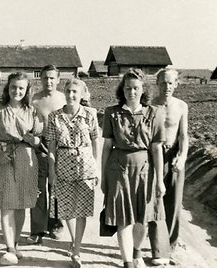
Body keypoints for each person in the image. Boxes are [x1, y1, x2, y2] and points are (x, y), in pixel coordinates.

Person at [101, 68, 166, 268]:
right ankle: (128, 262)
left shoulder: (154, 113)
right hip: (118, 168)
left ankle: (137, 253)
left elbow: (156, 148)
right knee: (123, 218)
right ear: (123, 90)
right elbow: (106, 147)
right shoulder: (112, 113)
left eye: (136, 88)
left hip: (145, 170)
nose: (132, 92)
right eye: (128, 88)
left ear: (143, 89)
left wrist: (160, 180)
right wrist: (103, 176)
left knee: (142, 219)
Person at [0, 72, 42, 265]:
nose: (17, 91)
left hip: (26, 158)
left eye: (21, 88)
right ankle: (9, 247)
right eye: (13, 87)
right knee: (6, 203)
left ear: (27, 90)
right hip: (3, 158)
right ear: (7, 88)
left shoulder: (32, 111)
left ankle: (16, 243)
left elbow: (39, 140)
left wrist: (32, 139)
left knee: (21, 204)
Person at [45, 78, 99, 268]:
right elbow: (51, 146)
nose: (71, 95)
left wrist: (96, 167)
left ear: (83, 94)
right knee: (66, 209)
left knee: (82, 209)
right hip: (63, 164)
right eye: (68, 91)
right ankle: (75, 240)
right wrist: (52, 170)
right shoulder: (54, 117)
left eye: (75, 92)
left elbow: (95, 142)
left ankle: (76, 251)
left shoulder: (90, 114)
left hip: (85, 165)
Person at [148, 68, 189, 266]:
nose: (167, 87)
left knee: (173, 201)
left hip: (173, 156)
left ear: (176, 85)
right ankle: (156, 247)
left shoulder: (181, 106)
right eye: (163, 83)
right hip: (153, 155)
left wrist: (183, 156)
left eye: (171, 83)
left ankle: (170, 246)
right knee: (154, 201)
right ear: (157, 84)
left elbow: (183, 136)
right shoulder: (149, 106)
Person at [28, 65, 66, 244]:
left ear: (58, 79)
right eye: (45, 78)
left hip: (60, 147)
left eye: (52, 78)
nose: (48, 81)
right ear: (40, 79)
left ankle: (55, 225)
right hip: (40, 146)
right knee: (38, 188)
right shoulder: (34, 100)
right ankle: (37, 228)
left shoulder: (64, 98)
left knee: (56, 187)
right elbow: (29, 123)